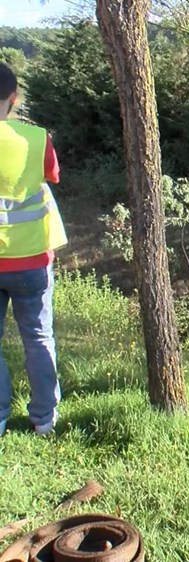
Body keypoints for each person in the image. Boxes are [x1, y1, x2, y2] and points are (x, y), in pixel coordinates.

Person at [0, 62, 67, 437]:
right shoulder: (36, 137)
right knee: (39, 337)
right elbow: (51, 175)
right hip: (31, 261)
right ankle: (44, 419)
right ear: (14, 98)